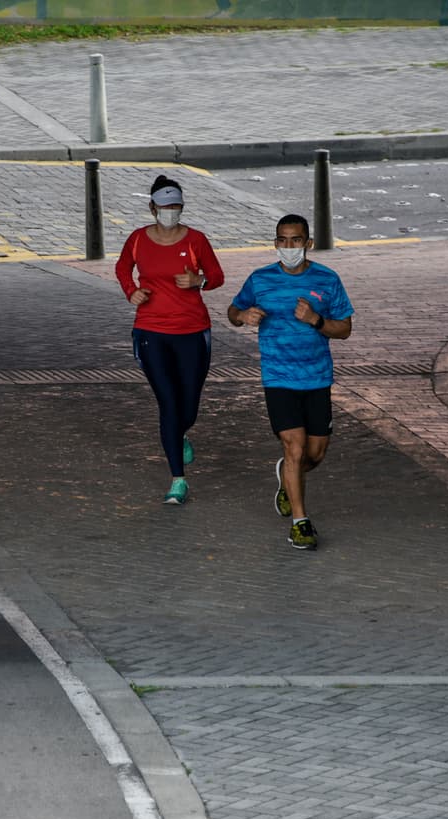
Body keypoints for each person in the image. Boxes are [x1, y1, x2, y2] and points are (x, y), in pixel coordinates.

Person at [227, 214, 354, 549]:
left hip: (316, 377)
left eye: (295, 240)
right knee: (294, 447)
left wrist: (316, 320)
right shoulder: (260, 280)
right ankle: (301, 522)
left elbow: (344, 328)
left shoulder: (327, 280)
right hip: (278, 376)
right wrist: (242, 317)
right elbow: (233, 310)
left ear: (308, 243)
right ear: (275, 244)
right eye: (282, 240)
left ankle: (287, 476)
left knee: (315, 453)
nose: (288, 246)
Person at [116, 175, 226, 505]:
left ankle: (181, 433)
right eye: (164, 206)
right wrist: (131, 292)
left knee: (188, 403)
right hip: (151, 331)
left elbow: (217, 277)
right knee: (168, 402)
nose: (170, 212)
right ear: (152, 207)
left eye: (176, 206)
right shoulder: (137, 239)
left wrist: (199, 280)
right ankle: (178, 479)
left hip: (192, 331)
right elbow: (123, 268)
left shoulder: (196, 240)